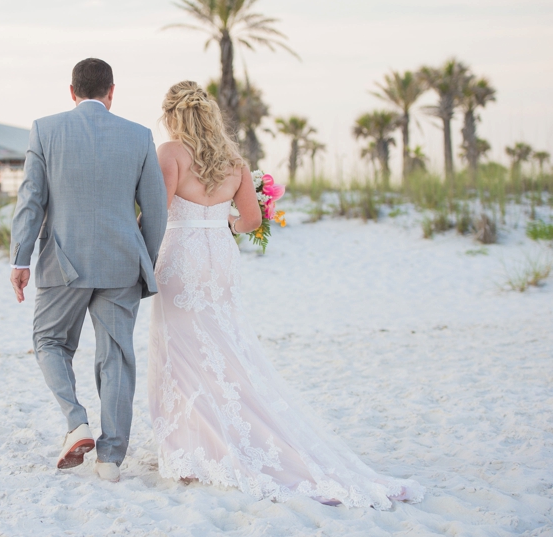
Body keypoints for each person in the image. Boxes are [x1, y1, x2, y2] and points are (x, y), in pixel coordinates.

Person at [147, 81, 424, 509]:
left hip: (181, 254)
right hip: (219, 259)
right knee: (224, 346)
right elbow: (251, 220)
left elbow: (158, 211)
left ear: (172, 117)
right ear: (210, 116)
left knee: (180, 349)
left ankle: (190, 450)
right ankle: (216, 436)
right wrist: (219, 224)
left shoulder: (170, 153)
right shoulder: (234, 161)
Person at [9, 58, 168, 483]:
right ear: (111, 92)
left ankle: (76, 423)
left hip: (63, 262)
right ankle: (110, 460)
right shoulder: (139, 136)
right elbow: (155, 209)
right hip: (121, 265)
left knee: (48, 341)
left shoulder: (45, 130)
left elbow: (30, 201)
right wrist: (143, 261)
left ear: (72, 91)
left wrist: (20, 258)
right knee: (115, 356)